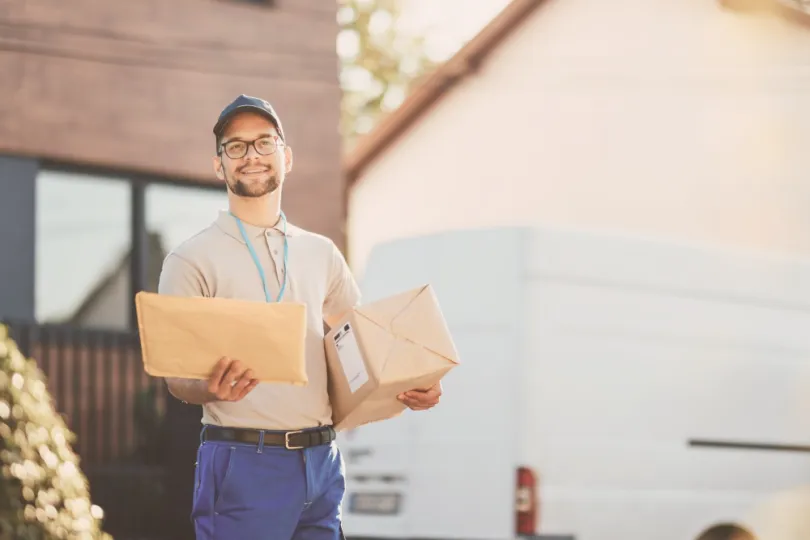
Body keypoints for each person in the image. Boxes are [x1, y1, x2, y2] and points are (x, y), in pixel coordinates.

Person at [157, 94, 442, 540]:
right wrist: (207, 387)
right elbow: (175, 375)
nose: (251, 155)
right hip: (243, 461)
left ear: (286, 158)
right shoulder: (190, 259)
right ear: (220, 166)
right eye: (236, 146)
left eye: (264, 143)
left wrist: (412, 379)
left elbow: (364, 341)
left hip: (321, 463)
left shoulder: (320, 252)